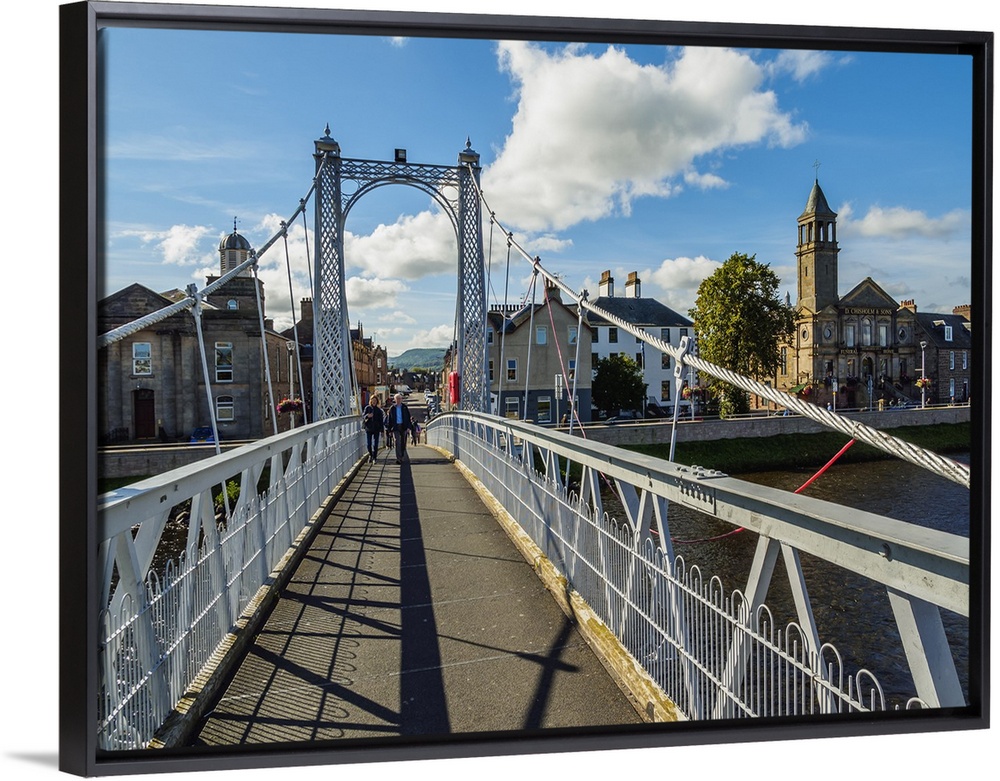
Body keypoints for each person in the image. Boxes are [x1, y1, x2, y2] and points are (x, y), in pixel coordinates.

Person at [387, 392, 413, 464]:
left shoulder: (404, 407)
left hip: (403, 426)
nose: (398, 400)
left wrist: (409, 427)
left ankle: (402, 455)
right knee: (397, 442)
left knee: (403, 442)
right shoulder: (392, 408)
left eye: (399, 398)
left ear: (401, 399)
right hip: (395, 427)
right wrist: (389, 430)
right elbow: (389, 420)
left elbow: (408, 417)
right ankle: (398, 458)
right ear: (395, 400)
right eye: (397, 399)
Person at [362, 396, 385, 463]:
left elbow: (381, 421)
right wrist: (367, 416)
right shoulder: (367, 408)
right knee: (368, 444)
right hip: (368, 428)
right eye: (373, 400)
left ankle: (374, 457)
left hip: (376, 429)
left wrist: (382, 431)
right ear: (371, 401)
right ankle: (370, 455)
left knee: (375, 444)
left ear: (377, 401)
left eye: (375, 400)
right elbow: (363, 416)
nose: (374, 401)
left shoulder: (379, 410)